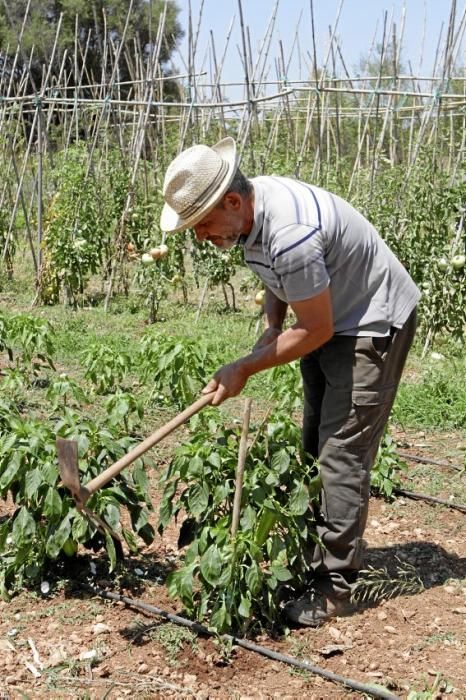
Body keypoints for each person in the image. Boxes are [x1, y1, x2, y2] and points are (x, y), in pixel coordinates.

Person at [160, 136, 420, 627]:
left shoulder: (291, 232)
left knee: (340, 452)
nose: (201, 238)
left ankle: (335, 587)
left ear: (233, 201)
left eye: (204, 225)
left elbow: (317, 327)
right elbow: (277, 278)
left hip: (369, 320)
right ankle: (313, 554)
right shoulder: (249, 218)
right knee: (314, 435)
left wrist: (244, 367)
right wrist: (272, 327)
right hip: (330, 313)